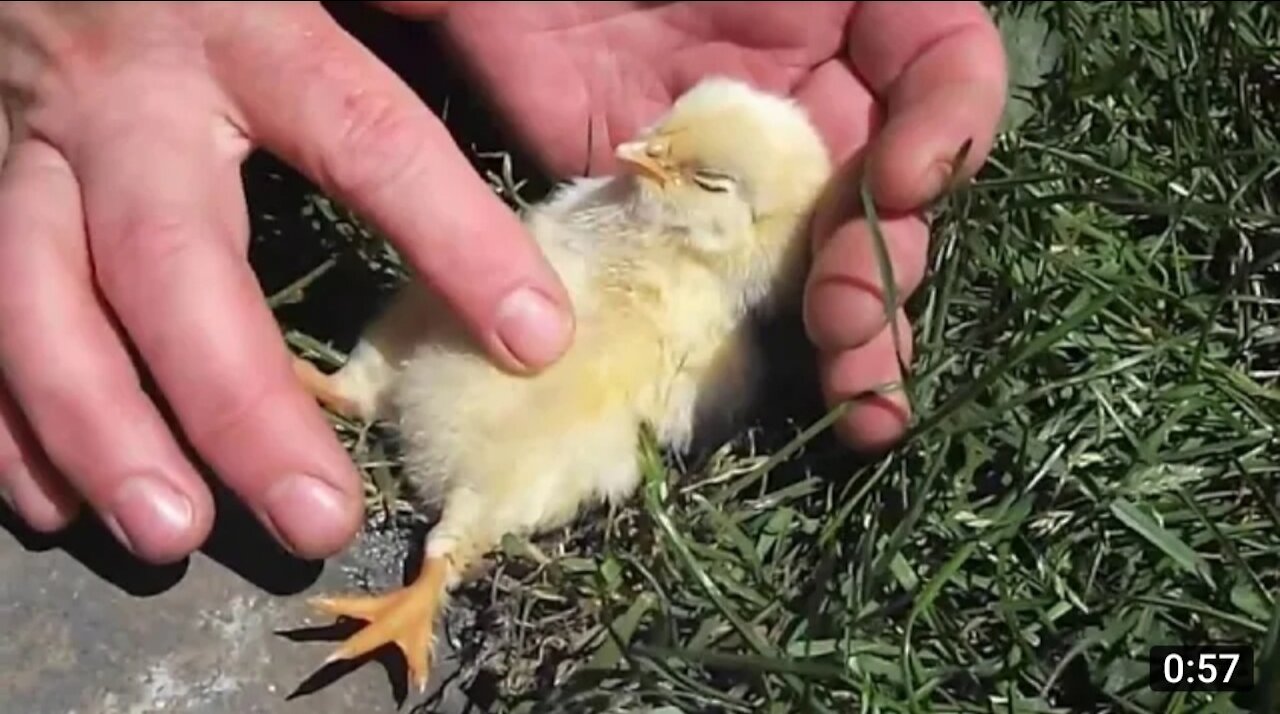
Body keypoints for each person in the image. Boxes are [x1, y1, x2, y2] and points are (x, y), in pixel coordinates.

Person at [0, 1, 1007, 565]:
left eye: (684, 167)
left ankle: (436, 557)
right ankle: (350, 391)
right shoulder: (620, 212)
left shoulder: (697, 323)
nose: (637, 155)